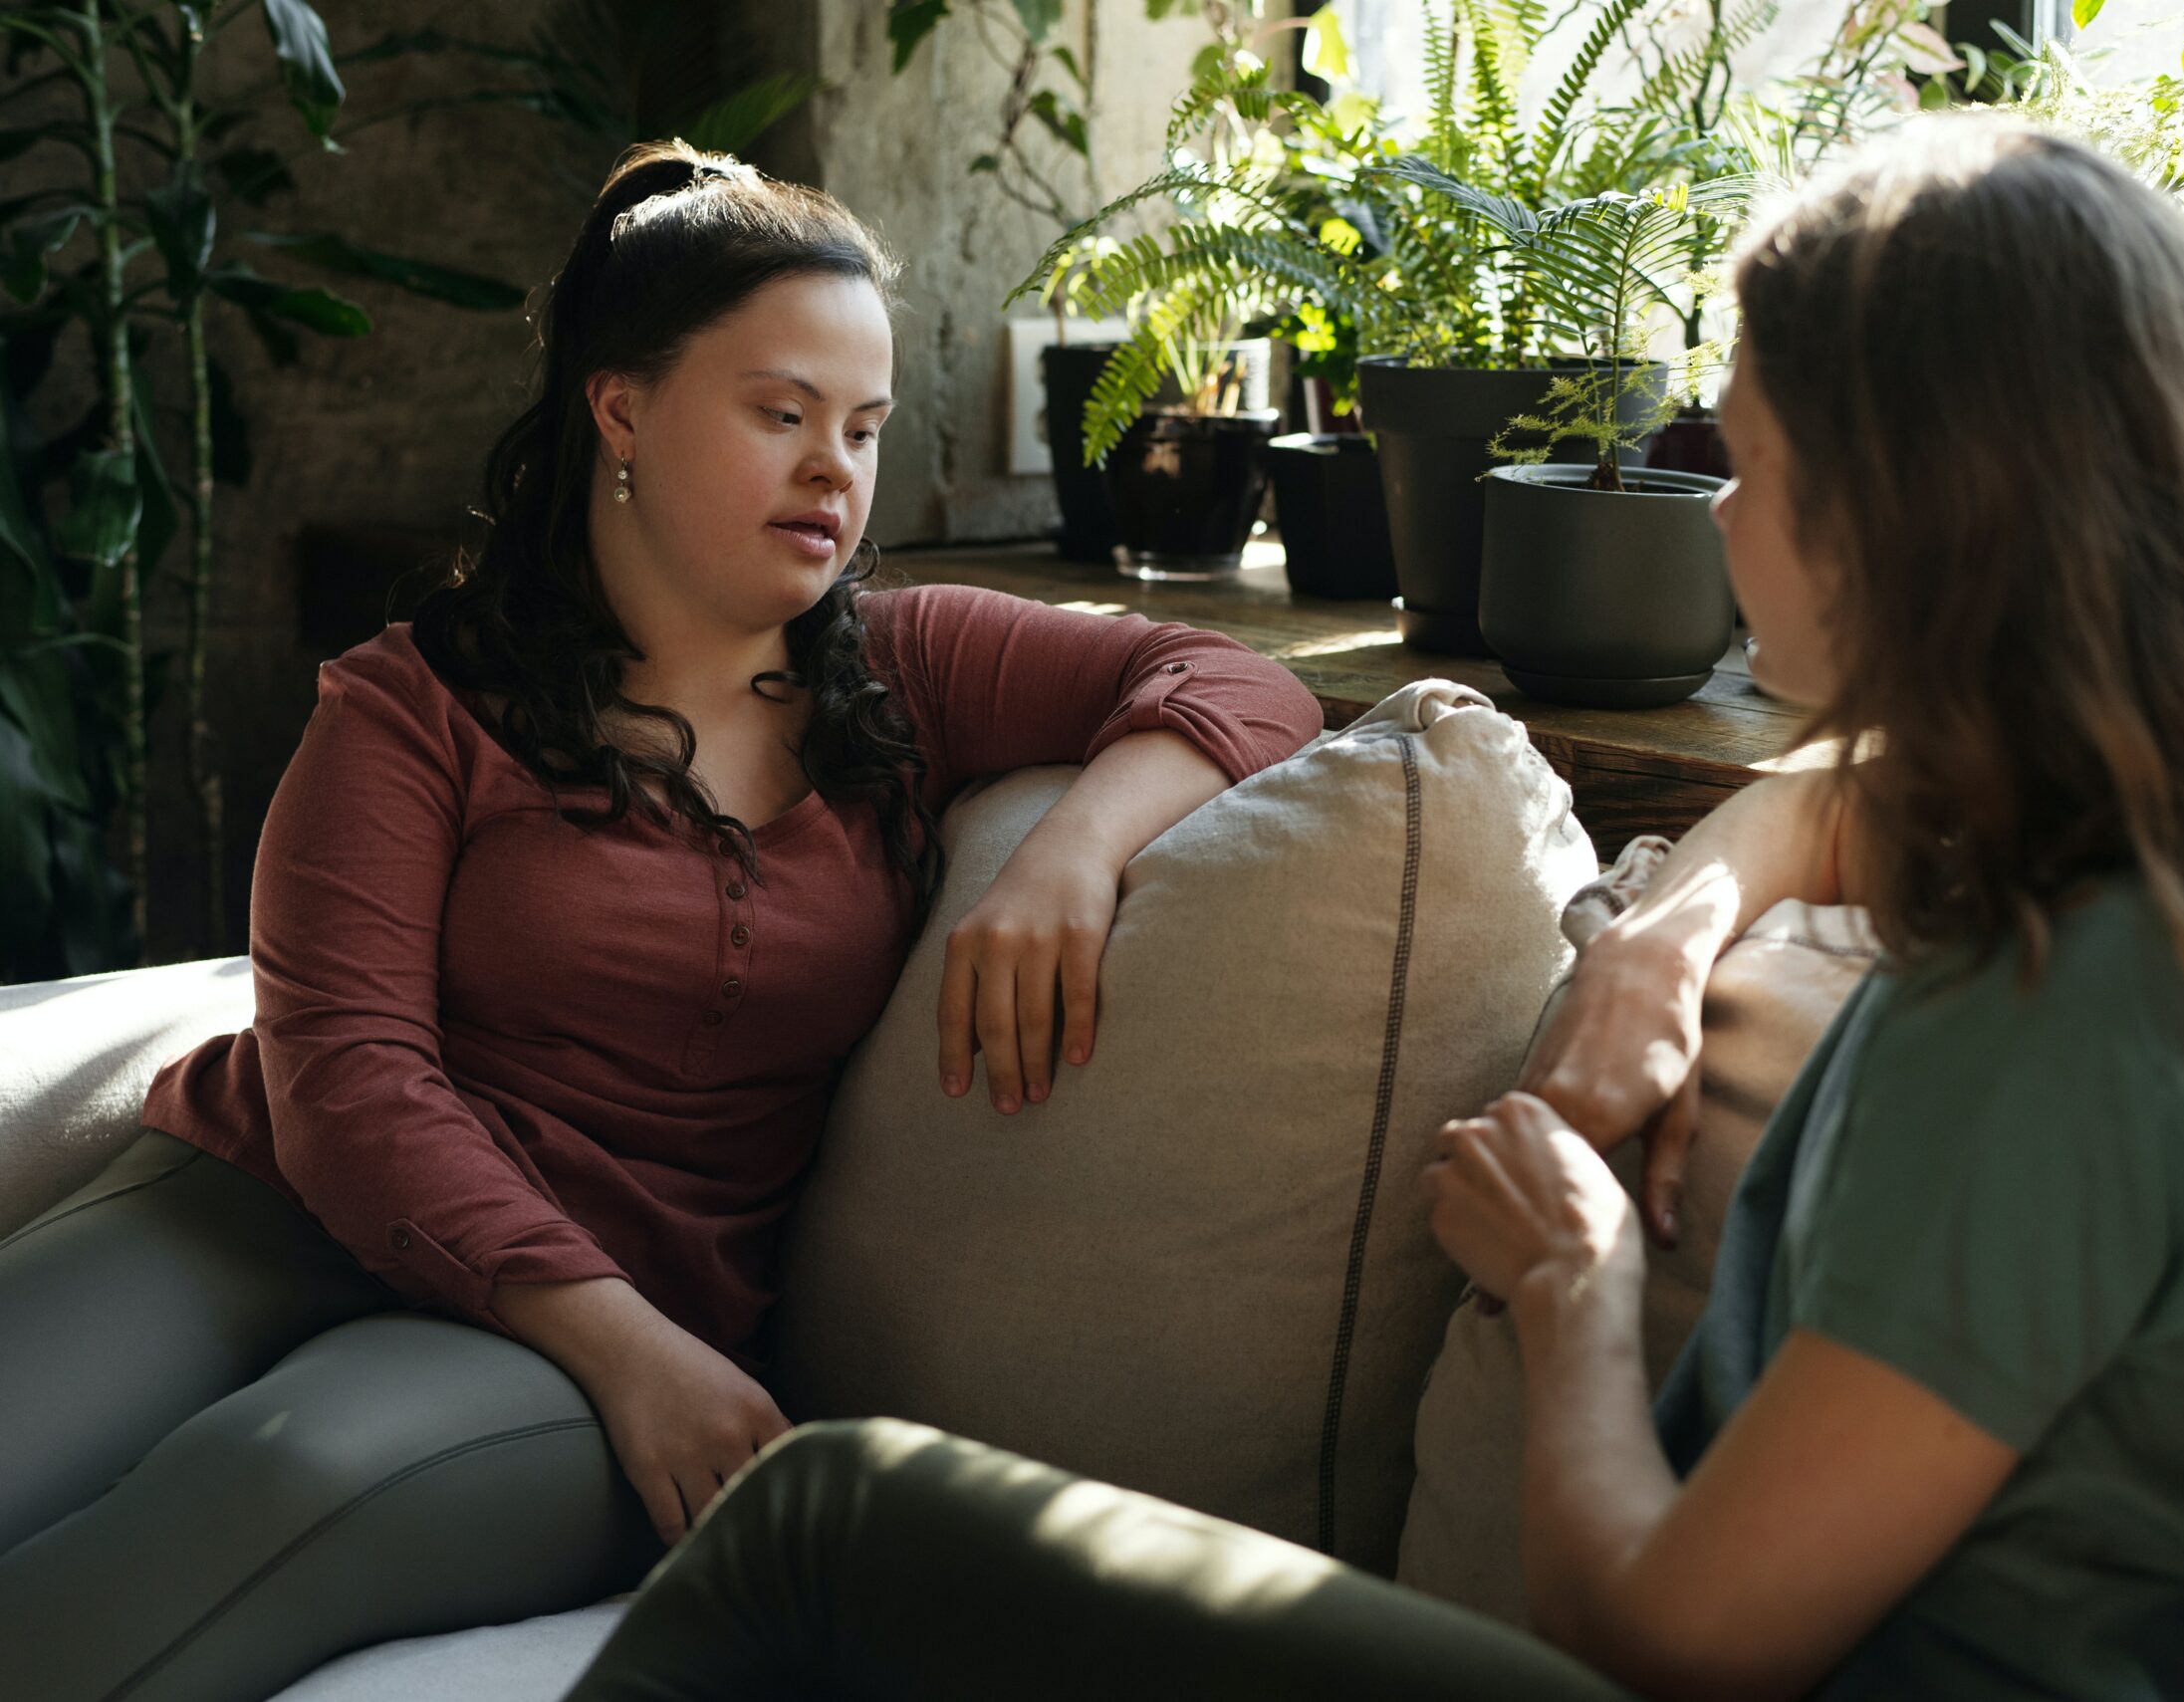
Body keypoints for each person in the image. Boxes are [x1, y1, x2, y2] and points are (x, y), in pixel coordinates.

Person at [556, 117, 2184, 1702]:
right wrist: (1670, 932)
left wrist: (1572, 1290)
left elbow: (1675, 1632)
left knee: (833, 1518)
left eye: (1736, 458)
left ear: (1909, 510)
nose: (1710, 509)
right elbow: (1860, 801)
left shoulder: (2060, 1044)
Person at [0, 140, 1322, 1702]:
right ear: (618, 407)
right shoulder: (411, 708)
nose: (836, 469)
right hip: (250, 1211)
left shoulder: (912, 666)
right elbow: (349, 1081)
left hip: (578, 1340)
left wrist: (1074, 850)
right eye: (782, 414)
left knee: (270, 1481)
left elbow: (1246, 683)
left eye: (866, 427)